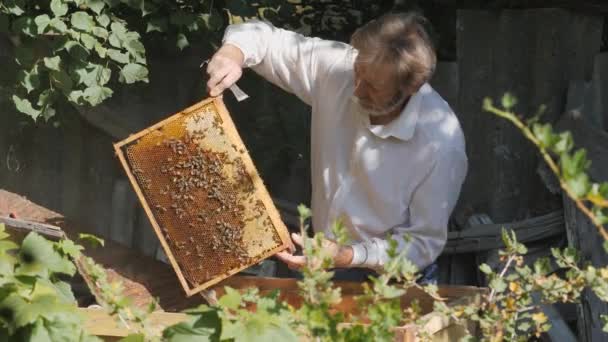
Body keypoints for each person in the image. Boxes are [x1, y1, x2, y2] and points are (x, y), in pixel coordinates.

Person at [204, 12, 467, 283]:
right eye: (357, 72)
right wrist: (233, 53)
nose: (356, 89)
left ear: (410, 87)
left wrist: (348, 256)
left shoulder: (441, 144)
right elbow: (265, 39)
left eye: (373, 87)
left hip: (391, 277)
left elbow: (423, 243)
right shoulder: (340, 67)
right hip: (323, 258)